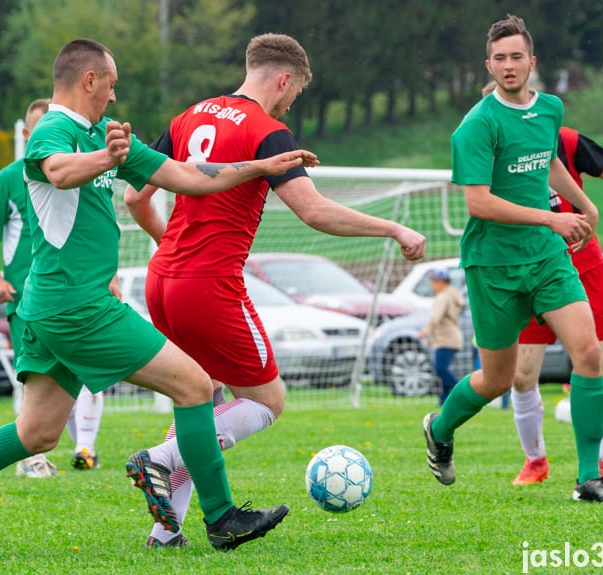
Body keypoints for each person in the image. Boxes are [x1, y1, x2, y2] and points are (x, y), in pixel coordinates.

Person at [0, 38, 320, 556]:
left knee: (38, 433)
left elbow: (184, 176)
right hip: (78, 308)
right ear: (88, 80)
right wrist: (106, 156)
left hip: (53, 307)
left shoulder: (105, 137)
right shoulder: (54, 127)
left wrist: (257, 168)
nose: (114, 98)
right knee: (194, 385)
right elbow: (57, 171)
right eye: (110, 85)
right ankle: (222, 516)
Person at [124, 33, 427, 548]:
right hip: (211, 285)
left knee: (197, 396)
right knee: (266, 400)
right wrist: (394, 229)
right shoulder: (269, 131)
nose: (292, 103)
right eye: (296, 92)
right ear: (285, 79)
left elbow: (134, 197)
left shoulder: (188, 116)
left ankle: (165, 532)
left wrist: (171, 247)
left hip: (162, 280)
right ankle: (163, 459)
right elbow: (314, 211)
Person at [422, 14, 603, 503]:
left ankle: (588, 479)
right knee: (499, 379)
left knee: (588, 354)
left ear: (532, 62)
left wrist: (584, 204)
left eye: (517, 56)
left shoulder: (551, 109)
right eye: (500, 58)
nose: (509, 65)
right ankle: (441, 428)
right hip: (493, 265)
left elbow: (550, 161)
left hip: (546, 258)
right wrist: (550, 218)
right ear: (488, 64)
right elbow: (479, 203)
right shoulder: (476, 125)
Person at [477, 81, 603, 487]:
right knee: (522, 377)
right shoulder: (488, 150)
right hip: (530, 265)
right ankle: (536, 461)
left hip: (582, 263)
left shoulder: (564, 139)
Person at [0, 98, 105, 476]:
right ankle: (31, 457)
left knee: (83, 372)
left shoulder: (80, 173)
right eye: (40, 129)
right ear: (28, 135)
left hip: (75, 293)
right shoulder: (9, 177)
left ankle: (85, 446)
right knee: (31, 375)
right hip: (26, 296)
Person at [418, 268, 464, 406]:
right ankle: (443, 400)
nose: (431, 288)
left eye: (432, 284)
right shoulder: (453, 295)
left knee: (440, 368)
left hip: (446, 339)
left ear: (440, 282)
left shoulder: (442, 296)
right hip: (452, 337)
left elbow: (436, 316)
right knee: (442, 370)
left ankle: (460, 391)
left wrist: (426, 330)